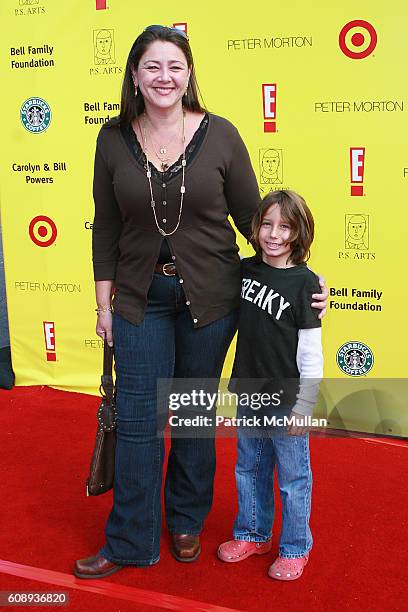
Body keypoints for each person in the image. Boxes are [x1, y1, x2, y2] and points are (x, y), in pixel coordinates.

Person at [74, 26, 327, 579]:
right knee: (139, 419)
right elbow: (106, 227)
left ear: (189, 75)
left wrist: (301, 278)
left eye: (175, 66)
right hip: (139, 298)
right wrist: (102, 307)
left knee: (190, 415)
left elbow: (254, 221)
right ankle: (129, 541)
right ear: (135, 77)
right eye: (152, 67)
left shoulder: (222, 136)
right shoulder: (112, 138)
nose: (165, 77)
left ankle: (187, 520)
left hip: (211, 299)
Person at [218, 190, 323, 581]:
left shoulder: (306, 284)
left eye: (285, 226)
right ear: (256, 227)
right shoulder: (246, 271)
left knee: (294, 478)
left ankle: (296, 546)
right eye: (267, 224)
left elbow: (311, 350)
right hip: (249, 392)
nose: (274, 234)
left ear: (298, 233)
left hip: (288, 399)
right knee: (249, 466)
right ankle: (253, 532)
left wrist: (305, 405)